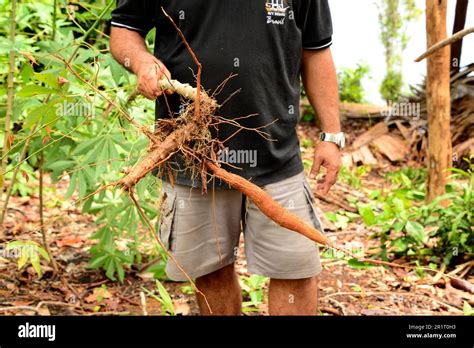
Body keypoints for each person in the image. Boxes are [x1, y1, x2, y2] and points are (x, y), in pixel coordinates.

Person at [110, 0, 344, 316]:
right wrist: (140, 61)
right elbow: (125, 28)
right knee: (211, 271)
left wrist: (331, 135)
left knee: (296, 270)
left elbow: (315, 49)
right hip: (192, 154)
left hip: (277, 154)